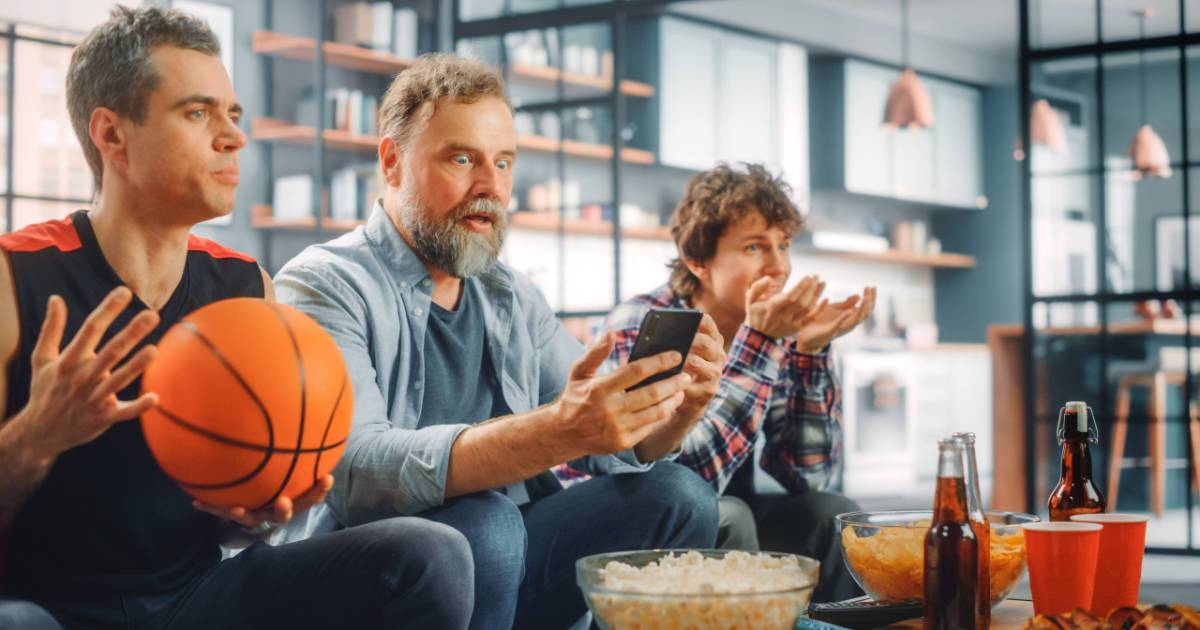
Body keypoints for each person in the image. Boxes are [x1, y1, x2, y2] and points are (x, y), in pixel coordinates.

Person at [0, 7, 472, 629]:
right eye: (197, 113)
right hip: (49, 608)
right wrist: (36, 436)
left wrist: (255, 509)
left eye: (232, 116)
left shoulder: (246, 286)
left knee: (429, 555)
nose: (233, 137)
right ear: (112, 135)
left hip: (196, 601)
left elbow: (231, 529)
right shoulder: (15, 278)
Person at [274, 53, 721, 630]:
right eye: (462, 159)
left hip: (497, 562)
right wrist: (556, 429)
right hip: (373, 573)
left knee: (679, 497)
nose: (490, 186)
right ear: (392, 162)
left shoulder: (509, 293)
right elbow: (355, 473)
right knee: (487, 521)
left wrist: (673, 414)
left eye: (503, 162)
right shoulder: (323, 284)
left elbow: (606, 444)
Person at [580, 162, 876, 602]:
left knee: (834, 516)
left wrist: (809, 353)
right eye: (756, 247)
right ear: (697, 260)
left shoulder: (774, 330)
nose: (778, 266)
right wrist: (761, 344)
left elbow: (807, 476)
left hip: (726, 508)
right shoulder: (646, 324)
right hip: (642, 518)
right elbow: (681, 485)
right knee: (730, 514)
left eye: (784, 245)